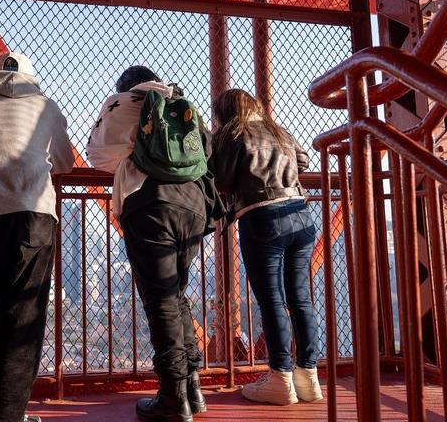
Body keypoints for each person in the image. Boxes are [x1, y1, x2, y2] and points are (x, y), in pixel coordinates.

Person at [87, 66, 223, 422]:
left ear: (125, 87)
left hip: (150, 204)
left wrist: (132, 155)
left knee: (160, 301)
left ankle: (173, 399)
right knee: (176, 295)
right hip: (194, 206)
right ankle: (192, 389)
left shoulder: (121, 103)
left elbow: (96, 155)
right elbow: (206, 152)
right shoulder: (181, 102)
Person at [0, 52, 74, 422]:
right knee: (22, 319)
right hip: (32, 216)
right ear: (31, 77)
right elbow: (65, 162)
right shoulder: (46, 106)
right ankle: (8, 416)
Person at [210, 88, 322, 406]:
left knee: (272, 301)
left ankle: (280, 378)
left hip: (263, 217)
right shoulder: (278, 131)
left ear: (225, 112)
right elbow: (303, 160)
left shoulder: (234, 132)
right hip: (301, 216)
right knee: (301, 299)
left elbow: (221, 180)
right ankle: (308, 377)